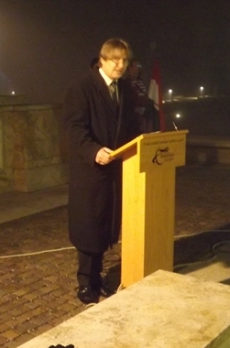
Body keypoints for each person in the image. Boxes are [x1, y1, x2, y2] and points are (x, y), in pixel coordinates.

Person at [63, 38, 141, 304]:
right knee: (89, 226)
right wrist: (93, 151)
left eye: (125, 61)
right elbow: (73, 129)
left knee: (105, 226)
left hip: (115, 170)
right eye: (115, 60)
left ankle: (97, 278)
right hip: (90, 171)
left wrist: (143, 144)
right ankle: (86, 282)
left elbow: (131, 126)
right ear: (102, 60)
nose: (121, 65)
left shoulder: (124, 88)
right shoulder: (81, 88)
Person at [123, 59, 151, 133]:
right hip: (135, 113)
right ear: (130, 68)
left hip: (144, 112)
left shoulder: (140, 81)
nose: (139, 68)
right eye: (137, 65)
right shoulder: (126, 82)